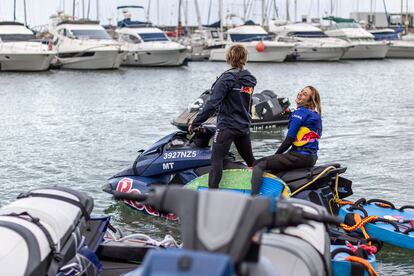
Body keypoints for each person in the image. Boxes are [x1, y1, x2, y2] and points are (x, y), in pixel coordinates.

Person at [189, 44, 257, 189]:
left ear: (229, 58)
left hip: (227, 127)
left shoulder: (227, 78)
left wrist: (196, 122)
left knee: (216, 161)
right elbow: (247, 102)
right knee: (251, 161)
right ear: (244, 58)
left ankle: (211, 195)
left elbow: (212, 103)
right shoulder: (250, 79)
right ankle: (260, 186)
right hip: (243, 126)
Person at [251, 86, 322, 195]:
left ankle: (253, 198)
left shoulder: (300, 113)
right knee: (272, 169)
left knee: (259, 164)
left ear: (310, 100)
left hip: (300, 156)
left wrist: (275, 155)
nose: (300, 94)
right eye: (301, 91)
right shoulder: (314, 114)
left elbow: (289, 140)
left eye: (305, 94)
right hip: (311, 157)